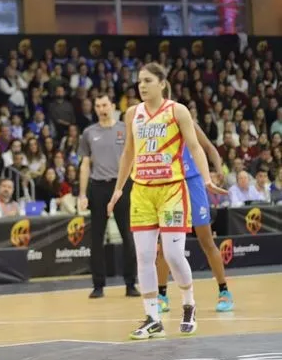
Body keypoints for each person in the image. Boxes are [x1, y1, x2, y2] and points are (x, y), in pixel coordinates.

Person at [107, 63, 226, 340]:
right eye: (139, 81)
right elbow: (128, 153)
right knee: (145, 256)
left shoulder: (177, 111)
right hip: (142, 192)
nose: (142, 85)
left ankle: (189, 305)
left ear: (162, 83)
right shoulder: (132, 114)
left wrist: (206, 179)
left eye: (148, 80)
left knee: (173, 255)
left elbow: (195, 146)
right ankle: (153, 318)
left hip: (172, 190)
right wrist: (118, 189)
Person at [156, 131, 235, 313]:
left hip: (193, 182)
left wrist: (219, 170)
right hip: (171, 184)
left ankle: (224, 291)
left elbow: (209, 147)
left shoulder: (187, 121)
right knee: (165, 244)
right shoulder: (158, 124)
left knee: (206, 241)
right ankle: (161, 296)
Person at [78, 94, 138, 299]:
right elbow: (85, 164)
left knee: (128, 236)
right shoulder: (88, 133)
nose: (101, 109)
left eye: (104, 105)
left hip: (121, 186)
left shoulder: (124, 129)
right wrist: (82, 194)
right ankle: (98, 285)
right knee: (96, 238)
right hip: (98, 187)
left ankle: (131, 283)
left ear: (112, 106)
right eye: (97, 106)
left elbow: (133, 157)